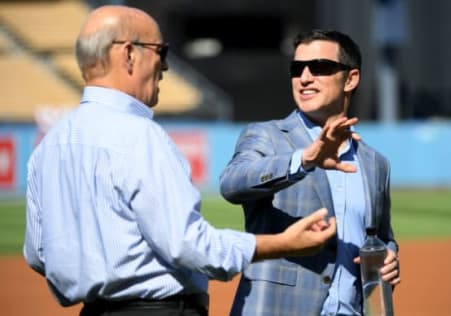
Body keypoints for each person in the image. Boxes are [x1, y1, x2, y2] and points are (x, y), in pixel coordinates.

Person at [21, 7, 358, 316]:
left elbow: (38, 254)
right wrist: (282, 244)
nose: (165, 65)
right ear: (128, 54)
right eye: (160, 52)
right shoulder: (140, 136)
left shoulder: (48, 146)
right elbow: (191, 247)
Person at [220, 29, 401, 316]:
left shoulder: (375, 163)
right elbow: (231, 184)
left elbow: (381, 236)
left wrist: (388, 255)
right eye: (297, 69)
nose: (304, 78)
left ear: (351, 79)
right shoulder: (267, 136)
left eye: (319, 68)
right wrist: (305, 159)